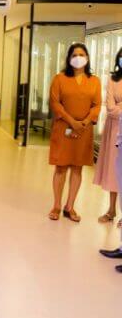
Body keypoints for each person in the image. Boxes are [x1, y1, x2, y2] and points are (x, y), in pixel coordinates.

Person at [47, 42, 101, 222]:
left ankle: (69, 207)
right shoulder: (59, 78)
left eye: (81, 54)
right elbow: (55, 103)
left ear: (87, 58)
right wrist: (72, 122)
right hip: (64, 128)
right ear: (69, 59)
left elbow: (97, 105)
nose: (78, 58)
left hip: (84, 130)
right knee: (61, 166)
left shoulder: (94, 81)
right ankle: (56, 204)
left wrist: (84, 122)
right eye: (74, 55)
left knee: (77, 168)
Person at [94, 48, 122, 223]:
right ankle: (111, 211)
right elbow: (110, 108)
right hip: (115, 130)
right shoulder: (113, 79)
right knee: (115, 170)